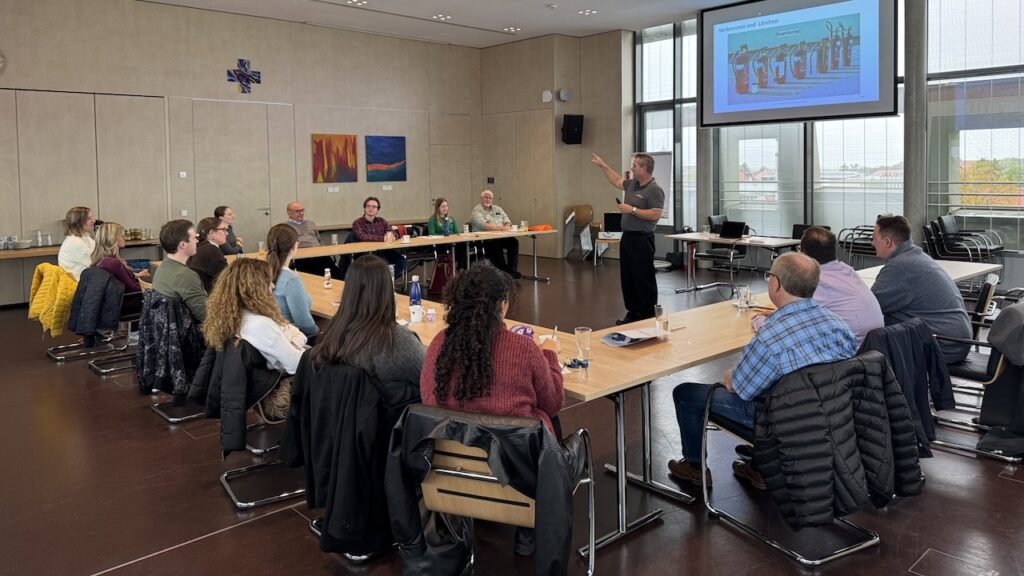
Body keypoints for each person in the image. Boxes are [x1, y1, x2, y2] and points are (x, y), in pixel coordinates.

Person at [669, 253, 857, 488]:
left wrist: (729, 374)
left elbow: (738, 387)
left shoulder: (770, 337)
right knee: (773, 387)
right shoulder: (838, 325)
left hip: (780, 422)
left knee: (686, 393)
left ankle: (695, 467)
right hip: (830, 415)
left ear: (776, 284)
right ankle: (759, 467)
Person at [421, 262, 563, 434]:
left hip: (448, 452)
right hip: (514, 455)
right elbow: (553, 403)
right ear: (503, 304)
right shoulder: (524, 349)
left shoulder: (440, 343)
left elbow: (428, 398)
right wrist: (550, 354)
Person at [202, 258, 306, 421]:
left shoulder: (231, 318)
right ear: (254, 288)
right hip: (277, 387)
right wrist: (296, 340)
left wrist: (294, 338)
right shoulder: (261, 324)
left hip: (256, 386)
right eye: (268, 282)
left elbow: (292, 331)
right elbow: (296, 364)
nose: (272, 286)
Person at [310, 254, 424, 402]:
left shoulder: (332, 334)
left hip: (343, 421)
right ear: (387, 292)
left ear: (349, 292)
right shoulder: (396, 341)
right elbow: (433, 380)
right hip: (394, 421)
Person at [751, 226, 883, 347]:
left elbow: (786, 329)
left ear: (803, 254)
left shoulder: (817, 281)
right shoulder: (847, 271)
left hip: (848, 356)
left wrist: (759, 320)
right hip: (873, 351)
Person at [870, 214, 972, 363]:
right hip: (956, 341)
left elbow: (871, 307)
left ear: (887, 242)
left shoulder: (900, 266)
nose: (872, 243)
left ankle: (888, 386)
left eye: (874, 238)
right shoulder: (915, 256)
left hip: (943, 345)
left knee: (868, 340)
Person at [590, 152, 664, 324]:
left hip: (643, 239)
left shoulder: (655, 190)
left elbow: (655, 215)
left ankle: (646, 314)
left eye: (635, 166)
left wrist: (632, 210)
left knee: (642, 277)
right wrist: (602, 164)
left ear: (644, 169)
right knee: (628, 276)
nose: (632, 168)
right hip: (628, 238)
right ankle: (633, 312)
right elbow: (616, 180)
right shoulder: (632, 184)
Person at [266, 223, 318, 340]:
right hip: (291, 338)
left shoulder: (261, 273)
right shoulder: (290, 280)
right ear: (294, 246)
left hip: (271, 337)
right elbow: (305, 324)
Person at [152, 219, 207, 323]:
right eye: (194, 238)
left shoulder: (162, 266)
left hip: (167, 333)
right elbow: (206, 317)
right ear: (182, 244)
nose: (197, 241)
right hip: (190, 335)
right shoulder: (185, 276)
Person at [469, 190, 521, 279]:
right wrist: (501, 228)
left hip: (499, 237)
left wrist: (507, 225)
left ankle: (512, 270)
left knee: (513, 242)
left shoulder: (498, 209)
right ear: (481, 199)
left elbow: (507, 220)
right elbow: (485, 225)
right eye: (486, 197)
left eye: (490, 198)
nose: (488, 200)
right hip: (483, 240)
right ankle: (504, 271)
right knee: (494, 244)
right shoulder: (476, 210)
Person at [351, 196, 405, 278]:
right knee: (383, 263)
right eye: (368, 206)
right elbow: (363, 237)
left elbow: (391, 231)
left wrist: (393, 236)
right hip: (367, 253)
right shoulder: (357, 223)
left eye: (374, 207)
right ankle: (383, 283)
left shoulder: (382, 221)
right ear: (364, 208)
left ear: (377, 210)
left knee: (402, 261)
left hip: (384, 251)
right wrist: (383, 238)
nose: (371, 208)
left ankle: (388, 281)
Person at [91, 222, 148, 294]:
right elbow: (133, 288)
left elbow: (123, 278)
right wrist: (152, 287)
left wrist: (136, 275)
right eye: (122, 235)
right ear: (113, 238)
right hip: (132, 300)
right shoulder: (113, 263)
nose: (125, 238)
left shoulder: (102, 259)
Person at [284, 201, 338, 276]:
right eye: (297, 211)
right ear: (289, 213)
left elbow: (319, 240)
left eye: (302, 210)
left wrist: (324, 250)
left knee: (335, 272)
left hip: (318, 253)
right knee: (313, 272)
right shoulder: (285, 227)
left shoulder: (310, 223)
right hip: (302, 256)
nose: (301, 213)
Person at [188, 217, 229, 293]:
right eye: (223, 230)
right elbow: (227, 278)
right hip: (208, 296)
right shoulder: (211, 250)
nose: (227, 233)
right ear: (211, 232)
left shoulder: (200, 246)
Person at [58, 206, 97, 281]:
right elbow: (97, 263)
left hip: (88, 281)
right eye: (89, 218)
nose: (94, 221)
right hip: (81, 286)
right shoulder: (74, 243)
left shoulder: (85, 238)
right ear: (78, 222)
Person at [427, 197, 467, 269]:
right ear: (438, 208)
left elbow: (456, 231)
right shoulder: (432, 219)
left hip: (452, 241)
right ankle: (455, 266)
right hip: (441, 244)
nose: (445, 208)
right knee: (457, 248)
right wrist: (444, 236)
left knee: (463, 244)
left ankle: (460, 267)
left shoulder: (451, 218)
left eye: (446, 206)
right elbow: (432, 234)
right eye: (442, 206)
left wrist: (461, 235)